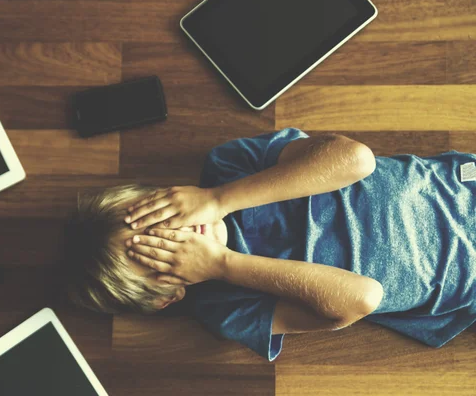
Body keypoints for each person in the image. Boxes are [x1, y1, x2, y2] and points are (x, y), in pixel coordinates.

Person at [62, 127, 476, 362]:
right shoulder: (226, 309)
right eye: (159, 255)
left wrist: (220, 198)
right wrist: (222, 265)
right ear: (168, 296)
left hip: (457, 192)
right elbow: (363, 297)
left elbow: (356, 159)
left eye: (157, 223)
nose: (179, 236)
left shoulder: (229, 166)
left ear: (157, 196)